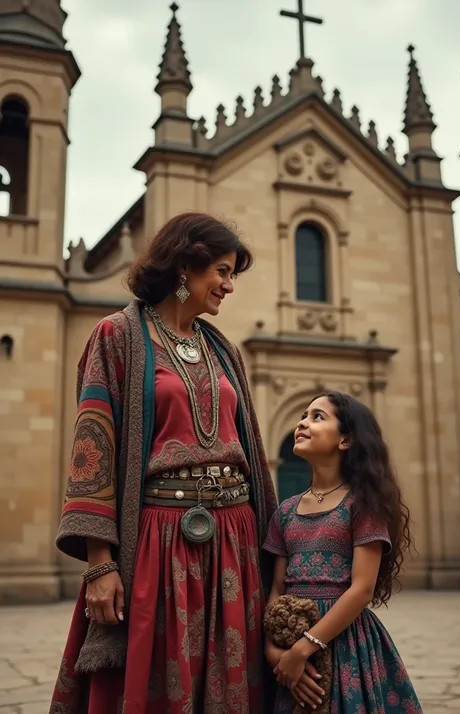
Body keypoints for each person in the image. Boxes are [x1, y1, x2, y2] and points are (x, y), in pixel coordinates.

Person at [50, 212, 277, 714]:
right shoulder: (116, 336)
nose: (229, 285)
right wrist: (99, 563)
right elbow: (93, 452)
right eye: (221, 270)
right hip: (158, 541)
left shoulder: (223, 351)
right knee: (158, 679)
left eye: (232, 273)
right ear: (185, 266)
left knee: (228, 681)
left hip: (234, 543)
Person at [263, 391, 423, 713]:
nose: (302, 423)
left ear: (345, 441)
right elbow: (277, 591)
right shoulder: (285, 511)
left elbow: (361, 589)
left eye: (317, 417)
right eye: (303, 416)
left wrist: (305, 647)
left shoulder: (363, 506)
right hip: (291, 644)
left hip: (348, 644)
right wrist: (276, 652)